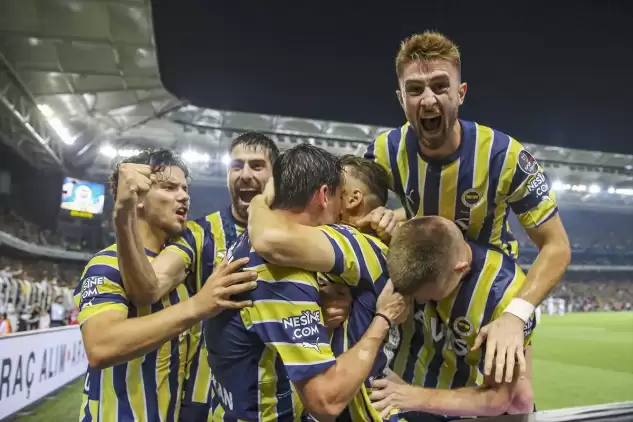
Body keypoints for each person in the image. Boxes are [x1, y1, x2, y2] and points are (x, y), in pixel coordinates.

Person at [363, 31, 571, 380]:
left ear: (460, 93)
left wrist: (515, 314)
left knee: (504, 399)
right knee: (409, 390)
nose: (428, 99)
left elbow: (557, 246)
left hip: (488, 300)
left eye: (440, 86)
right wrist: (378, 221)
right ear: (401, 98)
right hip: (419, 302)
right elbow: (352, 219)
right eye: (415, 89)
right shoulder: (385, 150)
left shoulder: (503, 156)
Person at [204, 144, 409, 421]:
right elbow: (325, 402)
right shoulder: (282, 269)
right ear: (325, 195)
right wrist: (382, 319)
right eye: (338, 194)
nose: (339, 209)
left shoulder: (246, 243)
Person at [74, 149, 256, 422]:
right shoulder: (106, 264)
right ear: (138, 198)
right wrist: (197, 306)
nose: (183, 196)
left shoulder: (179, 276)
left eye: (184, 188)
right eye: (169, 188)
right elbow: (100, 347)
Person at [113, 133, 281, 421]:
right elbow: (148, 289)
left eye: (256, 166)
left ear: (275, 176)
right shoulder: (199, 233)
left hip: (281, 399)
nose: (244, 174)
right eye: (236, 166)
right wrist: (123, 214)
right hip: (206, 402)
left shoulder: (297, 233)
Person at [369, 216, 536, 420]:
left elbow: (497, 399)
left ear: (460, 269)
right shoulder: (410, 248)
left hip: (457, 410)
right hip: (399, 395)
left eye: (428, 296)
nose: (419, 300)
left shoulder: (506, 298)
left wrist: (412, 396)